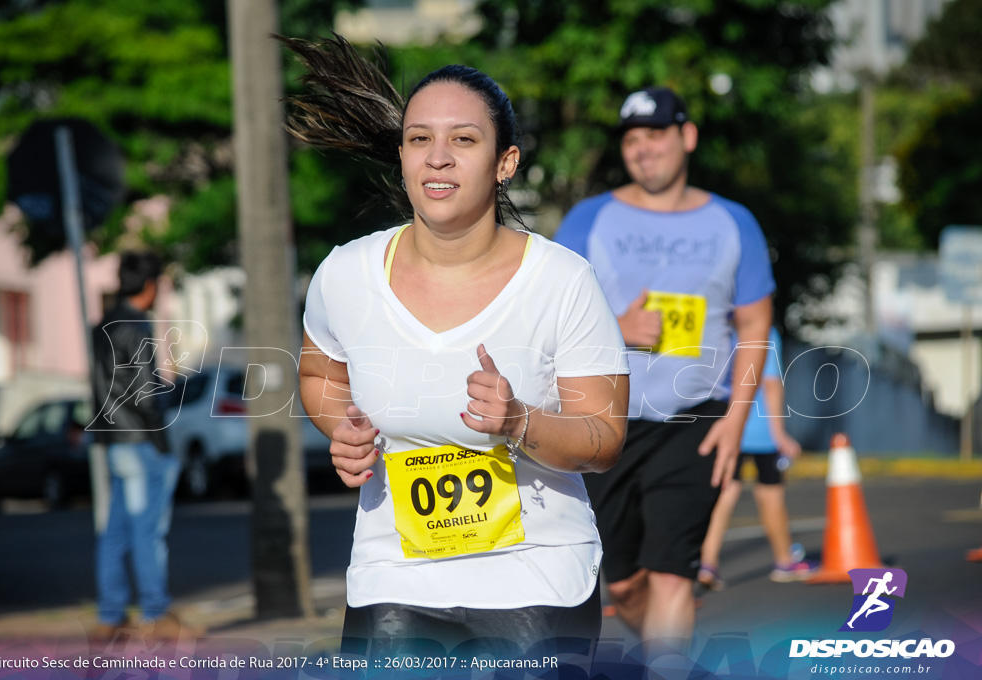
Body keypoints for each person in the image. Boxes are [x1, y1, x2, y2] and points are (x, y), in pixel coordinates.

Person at [284, 35, 630, 656]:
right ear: (401, 156)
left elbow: (604, 436)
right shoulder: (345, 274)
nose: (437, 158)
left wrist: (519, 420)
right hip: (393, 572)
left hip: (535, 576)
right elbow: (319, 377)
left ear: (506, 162)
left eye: (464, 140)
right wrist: (346, 427)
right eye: (420, 139)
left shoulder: (562, 280)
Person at [554, 87, 774, 653]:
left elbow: (754, 327)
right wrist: (616, 331)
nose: (644, 149)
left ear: (687, 136)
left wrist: (736, 420)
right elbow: (547, 319)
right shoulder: (589, 219)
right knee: (625, 585)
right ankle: (662, 653)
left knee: (674, 573)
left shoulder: (734, 222)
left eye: (656, 135)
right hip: (606, 422)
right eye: (632, 139)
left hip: (695, 419)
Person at [90, 251, 199, 642]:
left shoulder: (102, 323)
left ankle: (110, 614)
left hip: (114, 443)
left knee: (116, 531)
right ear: (150, 285)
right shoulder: (135, 326)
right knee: (148, 530)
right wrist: (163, 444)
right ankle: (155, 612)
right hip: (140, 442)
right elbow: (145, 396)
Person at [697, 327, 813, 590]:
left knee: (724, 496)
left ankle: (707, 563)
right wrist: (780, 433)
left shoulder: (720, 330)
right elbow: (770, 383)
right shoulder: (764, 332)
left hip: (726, 425)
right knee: (770, 494)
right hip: (760, 430)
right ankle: (785, 561)